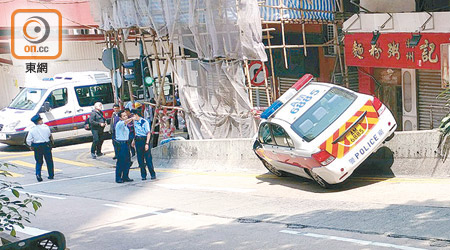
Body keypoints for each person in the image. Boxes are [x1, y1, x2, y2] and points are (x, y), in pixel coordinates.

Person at [26, 114, 54, 182]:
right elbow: (49, 135)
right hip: (46, 145)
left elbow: (28, 140)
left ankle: (38, 174)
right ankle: (51, 175)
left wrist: (31, 145)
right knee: (49, 161)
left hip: (37, 146)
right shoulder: (46, 127)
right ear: (39, 121)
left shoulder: (32, 130)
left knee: (39, 161)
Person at [131, 109, 156, 180]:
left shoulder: (144, 122)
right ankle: (143, 175)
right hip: (137, 140)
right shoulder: (135, 122)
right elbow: (136, 132)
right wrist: (133, 140)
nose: (132, 117)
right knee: (140, 159)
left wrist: (147, 143)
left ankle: (152, 174)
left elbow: (148, 133)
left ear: (136, 115)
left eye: (133, 115)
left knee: (148, 159)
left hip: (144, 140)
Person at [115, 110, 135, 183]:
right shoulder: (119, 123)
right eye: (123, 116)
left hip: (126, 143)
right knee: (121, 161)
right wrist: (132, 118)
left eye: (126, 115)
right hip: (121, 144)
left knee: (127, 161)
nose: (125, 117)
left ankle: (125, 176)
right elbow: (126, 122)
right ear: (120, 118)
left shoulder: (125, 125)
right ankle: (118, 177)